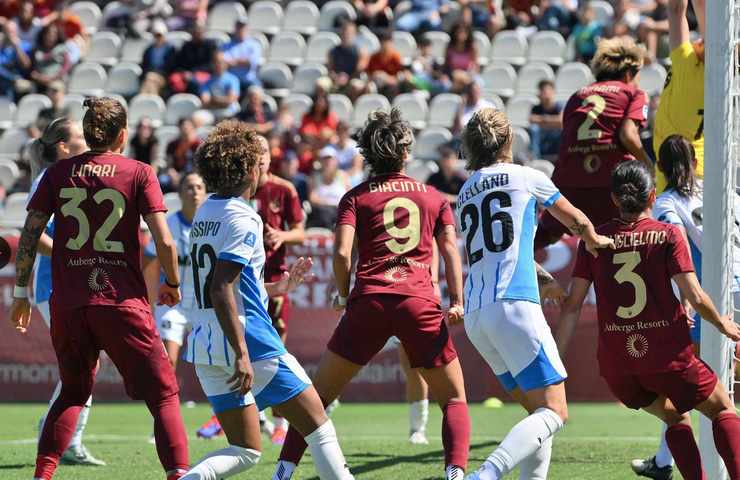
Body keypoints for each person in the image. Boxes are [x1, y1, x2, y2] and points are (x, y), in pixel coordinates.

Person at [274, 109, 471, 480]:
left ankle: (282, 472)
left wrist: (343, 293)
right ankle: (456, 474)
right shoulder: (433, 197)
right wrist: (456, 300)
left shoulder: (355, 197)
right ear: (406, 152)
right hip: (419, 302)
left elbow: (343, 252)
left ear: (367, 152)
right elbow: (449, 250)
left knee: (316, 398)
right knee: (455, 398)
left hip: (370, 301)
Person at [8, 97, 189, 479]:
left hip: (70, 302)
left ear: (89, 134)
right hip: (120, 300)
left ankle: (42, 476)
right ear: (123, 135)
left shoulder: (58, 174)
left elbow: (29, 234)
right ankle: (178, 474)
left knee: (72, 392)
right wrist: (172, 284)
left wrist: (20, 293)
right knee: (165, 395)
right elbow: (166, 242)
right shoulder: (138, 171)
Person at [180, 120, 354, 480]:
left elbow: (228, 284)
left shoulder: (205, 212)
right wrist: (242, 352)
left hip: (205, 345)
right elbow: (219, 287)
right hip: (249, 341)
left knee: (245, 450)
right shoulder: (244, 217)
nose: (263, 167)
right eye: (257, 162)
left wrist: (279, 287)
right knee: (319, 426)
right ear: (245, 170)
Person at [558, 160, 740, 480]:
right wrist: (723, 324)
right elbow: (695, 296)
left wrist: (556, 359)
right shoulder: (667, 234)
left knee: (674, 416)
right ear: (653, 197)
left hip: (619, 365)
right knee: (723, 408)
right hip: (667, 355)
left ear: (614, 199)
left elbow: (572, 305)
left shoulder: (595, 241)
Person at [459, 108, 613, 480]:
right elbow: (574, 219)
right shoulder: (526, 177)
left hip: (477, 315)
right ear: (508, 140)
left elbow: (503, 251)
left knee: (538, 413)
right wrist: (594, 239)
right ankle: (486, 474)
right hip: (513, 306)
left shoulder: (466, 191)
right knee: (555, 411)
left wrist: (543, 279)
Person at [628, 135, 740, 479]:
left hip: (709, 299)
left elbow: (677, 252)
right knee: (717, 383)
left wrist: (683, 300)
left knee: (687, 384)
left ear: (659, 166)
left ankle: (673, 463)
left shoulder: (666, 203)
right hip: (737, 285)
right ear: (695, 161)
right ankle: (663, 461)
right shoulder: (723, 193)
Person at [27, 117, 105, 467]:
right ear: (62, 146)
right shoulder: (48, 178)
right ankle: (65, 438)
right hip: (53, 285)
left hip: (68, 284)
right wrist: (71, 253)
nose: (87, 141)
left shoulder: (68, 178)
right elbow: (34, 234)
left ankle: (57, 429)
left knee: (84, 365)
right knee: (83, 367)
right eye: (79, 136)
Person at [535, 36, 652, 251]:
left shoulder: (576, 96)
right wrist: (649, 167)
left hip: (568, 182)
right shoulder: (634, 93)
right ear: (628, 74)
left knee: (541, 238)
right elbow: (628, 135)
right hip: (611, 182)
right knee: (640, 230)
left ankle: (515, 262)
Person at [143, 172, 206, 369]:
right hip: (172, 300)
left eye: (199, 187)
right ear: (179, 194)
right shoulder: (169, 224)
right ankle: (167, 400)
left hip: (203, 303)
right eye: (188, 187)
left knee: (211, 362)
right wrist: (151, 299)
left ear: (205, 193)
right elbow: (149, 259)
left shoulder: (213, 224)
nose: (194, 192)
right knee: (168, 360)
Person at [653, 0, 705, 193]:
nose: (699, 40)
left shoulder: (701, 67)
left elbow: (694, 5)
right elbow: (677, 10)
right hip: (674, 165)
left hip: (687, 167)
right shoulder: (688, 58)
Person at [307, 146, 349, 230]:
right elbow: (312, 199)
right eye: (325, 159)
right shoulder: (314, 177)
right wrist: (332, 204)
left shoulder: (343, 176)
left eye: (330, 159)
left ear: (336, 161)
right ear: (321, 161)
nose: (328, 162)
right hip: (321, 214)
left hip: (339, 212)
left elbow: (349, 196)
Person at [221, 17, 262, 91]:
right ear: (235, 28)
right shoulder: (226, 45)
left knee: (256, 90)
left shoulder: (255, 45)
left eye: (243, 27)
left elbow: (251, 62)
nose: (240, 29)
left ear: (247, 28)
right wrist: (241, 62)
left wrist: (234, 62)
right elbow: (223, 62)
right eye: (238, 27)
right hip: (231, 80)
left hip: (248, 80)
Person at [199, 51, 240, 121]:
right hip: (212, 114)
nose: (218, 65)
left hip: (230, 113)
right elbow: (205, 102)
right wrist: (223, 101)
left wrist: (213, 100)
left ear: (226, 64)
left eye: (221, 62)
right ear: (212, 64)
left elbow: (230, 100)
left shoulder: (233, 79)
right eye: (216, 62)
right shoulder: (206, 82)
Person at [140, 20, 177, 96]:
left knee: (150, 79)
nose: (158, 38)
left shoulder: (170, 49)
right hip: (150, 75)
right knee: (151, 82)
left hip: (164, 76)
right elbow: (144, 65)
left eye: (159, 35)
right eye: (156, 35)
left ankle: (143, 100)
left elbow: (172, 66)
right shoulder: (149, 49)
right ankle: (152, 101)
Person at [529, 80, 563, 159]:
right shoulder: (536, 108)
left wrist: (543, 120)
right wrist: (552, 122)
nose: (546, 94)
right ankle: (535, 158)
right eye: (543, 91)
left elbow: (561, 121)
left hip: (555, 136)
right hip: (542, 136)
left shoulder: (559, 107)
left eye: (548, 91)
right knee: (534, 129)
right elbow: (532, 120)